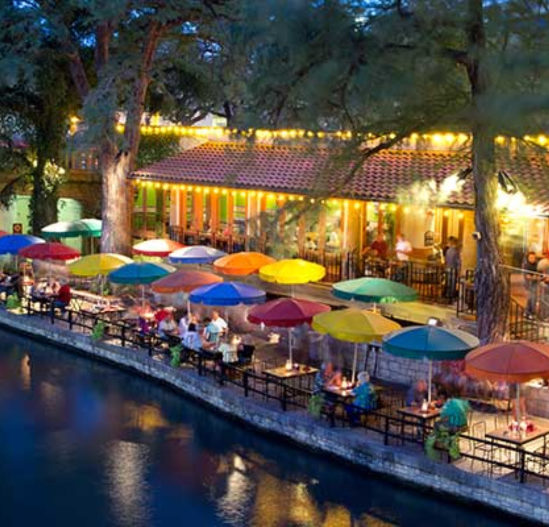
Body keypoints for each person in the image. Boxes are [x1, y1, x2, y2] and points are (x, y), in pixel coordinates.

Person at [523, 251, 540, 318]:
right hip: (528, 284)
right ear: (528, 258)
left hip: (535, 284)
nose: (532, 259)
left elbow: (539, 274)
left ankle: (528, 312)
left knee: (532, 298)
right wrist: (534, 277)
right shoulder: (526, 265)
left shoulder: (537, 264)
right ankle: (530, 313)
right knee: (531, 298)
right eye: (531, 257)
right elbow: (527, 277)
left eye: (533, 257)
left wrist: (536, 277)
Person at [444, 236, 461, 301]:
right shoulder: (456, 252)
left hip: (447, 268)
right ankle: (452, 297)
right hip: (453, 269)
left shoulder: (448, 251)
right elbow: (458, 262)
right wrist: (459, 270)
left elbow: (446, 260)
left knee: (448, 282)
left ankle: (448, 295)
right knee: (452, 283)